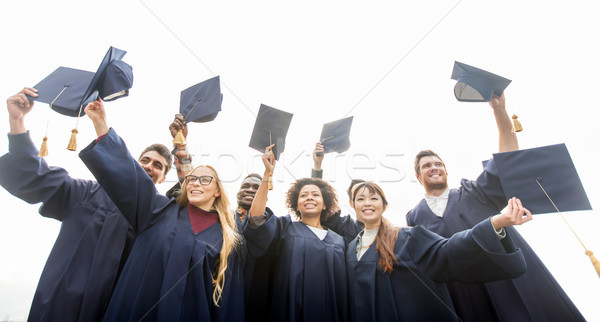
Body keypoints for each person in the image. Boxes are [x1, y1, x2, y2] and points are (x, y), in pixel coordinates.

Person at [406, 94, 585, 321]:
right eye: (427, 165)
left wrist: (500, 112)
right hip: (463, 293)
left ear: (446, 171)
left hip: (505, 280)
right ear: (418, 175)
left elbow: (506, 160)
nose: (434, 167)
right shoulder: (414, 218)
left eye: (438, 164)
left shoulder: (474, 192)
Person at [0, 88, 171, 322]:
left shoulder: (158, 218)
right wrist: (16, 120)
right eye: (144, 160)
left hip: (114, 311)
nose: (150, 166)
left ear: (162, 179)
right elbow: (34, 175)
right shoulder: (85, 192)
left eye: (158, 166)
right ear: (131, 164)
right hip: (60, 306)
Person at [79, 99, 246, 321]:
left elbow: (227, 305)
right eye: (193, 179)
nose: (196, 183)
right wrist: (101, 123)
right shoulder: (157, 211)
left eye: (205, 179)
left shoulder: (227, 237)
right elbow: (130, 177)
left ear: (218, 191)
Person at [344, 181, 529, 321]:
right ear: (353, 205)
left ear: (384, 206)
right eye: (360, 199)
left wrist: (495, 223)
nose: (367, 203)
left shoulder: (409, 236)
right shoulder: (350, 249)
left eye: (374, 198)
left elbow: (448, 251)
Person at [245, 145, 348, 322]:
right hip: (289, 312)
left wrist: (318, 165)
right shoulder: (285, 229)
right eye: (303, 195)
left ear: (324, 205)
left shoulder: (339, 241)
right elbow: (256, 220)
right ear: (297, 204)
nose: (309, 197)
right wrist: (266, 175)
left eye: (315, 195)